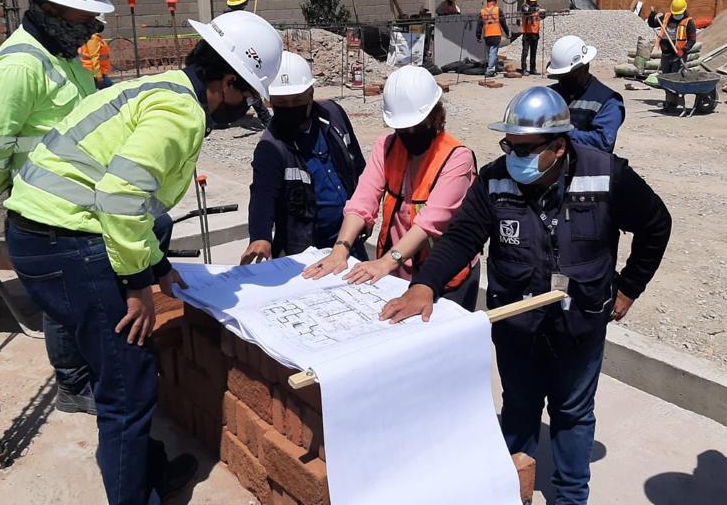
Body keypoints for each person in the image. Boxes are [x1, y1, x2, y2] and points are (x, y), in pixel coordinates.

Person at [3, 10, 283, 505]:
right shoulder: (182, 112)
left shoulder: (161, 88)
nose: (240, 112)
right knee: (128, 389)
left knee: (119, 371)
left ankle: (146, 469)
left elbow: (123, 198)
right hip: (67, 243)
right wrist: (138, 286)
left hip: (38, 233)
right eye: (244, 98)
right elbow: (119, 197)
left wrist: (156, 265)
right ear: (227, 82)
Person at [381, 86, 672, 505]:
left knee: (572, 415)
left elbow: (656, 225)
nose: (514, 155)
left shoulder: (606, 174)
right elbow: (463, 234)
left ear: (559, 146)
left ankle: (570, 497)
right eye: (509, 145)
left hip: (580, 322)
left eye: (525, 148)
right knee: (518, 407)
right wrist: (425, 284)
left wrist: (629, 288)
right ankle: (511, 489)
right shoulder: (495, 178)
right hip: (517, 321)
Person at [0, 0, 115, 416]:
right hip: (43, 204)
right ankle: (73, 385)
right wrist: (4, 189)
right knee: (62, 299)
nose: (92, 22)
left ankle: (88, 370)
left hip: (78, 198)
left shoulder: (63, 52)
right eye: (84, 10)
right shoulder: (21, 64)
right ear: (50, 4)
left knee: (81, 293)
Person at [303, 66, 481, 310]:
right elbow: (362, 201)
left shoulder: (457, 158)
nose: (408, 134)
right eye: (401, 128)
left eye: (415, 126)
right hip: (399, 271)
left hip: (445, 276)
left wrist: (387, 262)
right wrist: (341, 249)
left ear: (435, 116)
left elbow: (430, 222)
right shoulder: (387, 147)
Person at [241, 51, 367, 264]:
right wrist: (260, 236)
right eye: (282, 102)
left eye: (297, 100)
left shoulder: (334, 115)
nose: (290, 107)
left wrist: (366, 210)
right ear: (270, 101)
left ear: (310, 93)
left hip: (350, 238)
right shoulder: (271, 147)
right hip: (305, 250)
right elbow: (263, 193)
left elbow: (359, 168)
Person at [547, 35, 625, 152]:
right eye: (560, 75)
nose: (562, 79)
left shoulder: (608, 101)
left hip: (588, 168)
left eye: (568, 75)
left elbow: (603, 142)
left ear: (585, 67)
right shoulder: (550, 95)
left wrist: (563, 131)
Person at [223, 0, 271, 129]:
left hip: (228, 58)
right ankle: (267, 120)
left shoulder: (225, 19)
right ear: (244, 3)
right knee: (250, 90)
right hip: (242, 60)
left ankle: (220, 119)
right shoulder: (246, 20)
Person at [648, 0, 696, 110]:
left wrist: (684, 50)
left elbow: (692, 39)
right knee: (666, 79)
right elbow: (652, 24)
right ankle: (669, 102)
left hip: (678, 56)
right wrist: (652, 16)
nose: (676, 15)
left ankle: (677, 102)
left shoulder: (688, 23)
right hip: (666, 54)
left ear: (684, 11)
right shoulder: (666, 17)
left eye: (678, 13)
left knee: (675, 79)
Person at [477, 0, 509, 78]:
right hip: (496, 35)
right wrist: (507, 33)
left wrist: (478, 36)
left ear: (488, 1)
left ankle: (493, 69)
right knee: (493, 53)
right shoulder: (498, 10)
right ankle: (490, 69)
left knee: (491, 53)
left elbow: (479, 25)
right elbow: (503, 23)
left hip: (487, 36)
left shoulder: (482, 12)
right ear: (494, 1)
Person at [518, 0, 546, 76]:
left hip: (535, 33)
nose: (533, 2)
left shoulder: (538, 7)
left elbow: (542, 16)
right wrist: (537, 11)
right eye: (532, 1)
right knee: (525, 52)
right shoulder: (524, 6)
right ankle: (523, 69)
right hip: (527, 33)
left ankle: (533, 69)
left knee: (533, 52)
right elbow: (527, 12)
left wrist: (542, 12)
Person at [79, 19, 112, 89]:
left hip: (97, 73)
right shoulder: (93, 38)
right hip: (95, 74)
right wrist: (99, 77)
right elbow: (94, 57)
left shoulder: (95, 37)